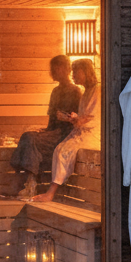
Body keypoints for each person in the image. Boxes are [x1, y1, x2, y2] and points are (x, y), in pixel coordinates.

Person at [2, 54, 81, 199]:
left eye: (56, 68)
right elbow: (52, 119)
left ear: (65, 69)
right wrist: (44, 131)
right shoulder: (55, 91)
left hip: (65, 134)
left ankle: (25, 184)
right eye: (53, 69)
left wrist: (64, 119)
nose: (53, 72)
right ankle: (26, 182)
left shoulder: (75, 91)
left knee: (30, 139)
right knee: (29, 135)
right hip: (53, 132)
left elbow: (76, 119)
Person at [32, 58, 101, 203]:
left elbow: (92, 119)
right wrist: (71, 118)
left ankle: (50, 193)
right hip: (82, 131)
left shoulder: (97, 90)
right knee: (59, 149)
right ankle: (53, 192)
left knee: (63, 151)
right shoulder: (86, 91)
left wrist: (74, 120)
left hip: (93, 134)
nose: (73, 75)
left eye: (76, 72)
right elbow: (82, 117)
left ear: (86, 72)